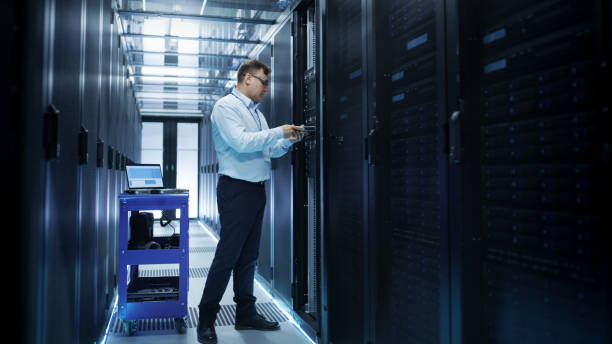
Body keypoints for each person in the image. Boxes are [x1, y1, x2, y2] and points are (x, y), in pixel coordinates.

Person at [197, 59, 304, 344]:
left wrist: (288, 140)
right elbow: (242, 142)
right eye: (263, 81)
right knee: (227, 257)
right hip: (235, 190)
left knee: (249, 258)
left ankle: (246, 314)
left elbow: (268, 150)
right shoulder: (225, 108)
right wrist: (277, 132)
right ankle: (206, 319)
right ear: (246, 78)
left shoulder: (257, 114)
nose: (266, 88)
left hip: (256, 189)